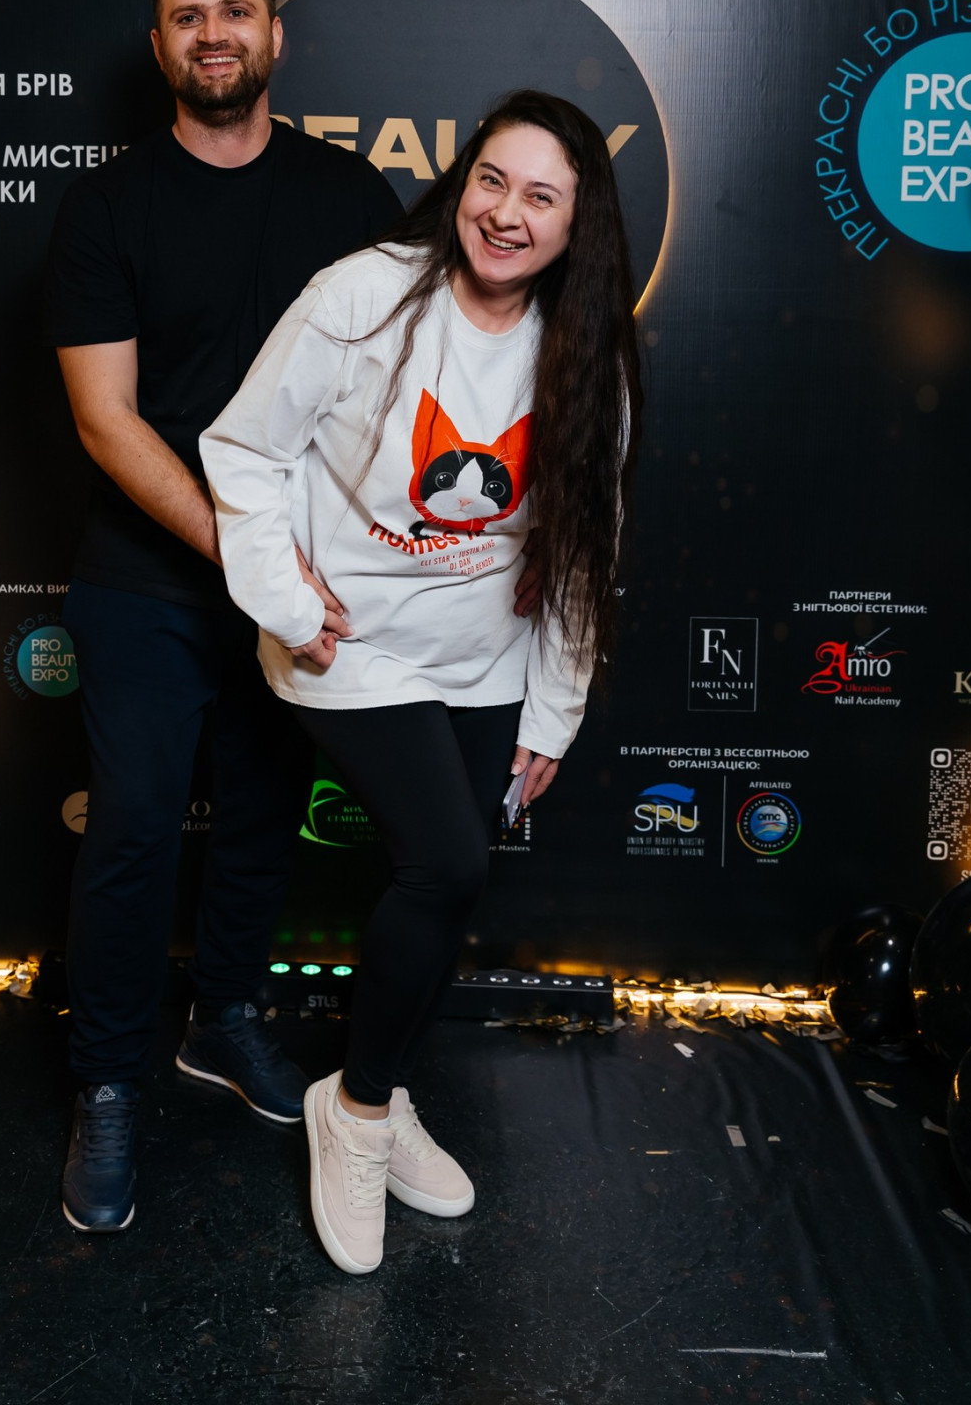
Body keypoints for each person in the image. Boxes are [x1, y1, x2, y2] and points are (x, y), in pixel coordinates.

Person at [201, 90, 642, 1276]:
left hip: (483, 654)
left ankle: (379, 1094)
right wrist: (288, 600)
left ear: (576, 224)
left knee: (448, 886)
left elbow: (581, 548)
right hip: (348, 645)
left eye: (540, 196)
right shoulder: (362, 296)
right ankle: (352, 1114)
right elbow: (243, 448)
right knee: (444, 862)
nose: (506, 213)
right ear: (460, 185)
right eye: (491, 180)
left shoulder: (583, 352)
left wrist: (553, 707)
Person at [42, 0, 402, 1233]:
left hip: (301, 581)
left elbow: (387, 392)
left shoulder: (348, 194)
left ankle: (225, 1017)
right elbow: (106, 417)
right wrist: (245, 555)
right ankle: (107, 1081)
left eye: (235, 11)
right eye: (187, 16)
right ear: (159, 47)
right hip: (149, 575)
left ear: (272, 36)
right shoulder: (108, 205)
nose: (214, 33)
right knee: (135, 828)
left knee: (260, 813)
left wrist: (327, 566)